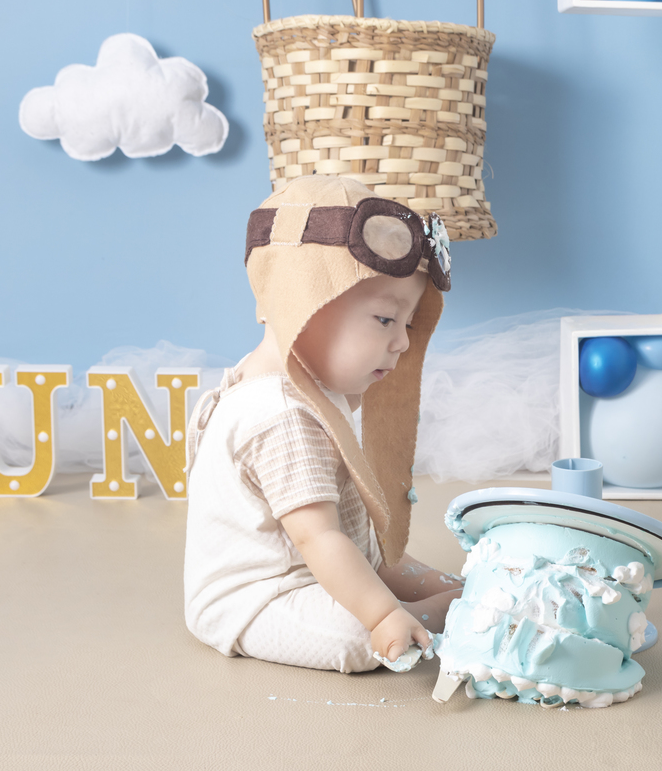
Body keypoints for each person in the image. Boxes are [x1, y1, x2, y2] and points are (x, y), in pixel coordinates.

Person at [183, 175, 462, 673]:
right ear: (305, 306)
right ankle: (442, 613)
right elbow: (318, 538)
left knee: (381, 559)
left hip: (328, 560)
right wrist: (382, 616)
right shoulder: (281, 413)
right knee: (356, 636)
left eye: (407, 324)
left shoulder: (297, 381)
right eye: (386, 320)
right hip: (262, 594)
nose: (402, 342)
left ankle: (442, 592)